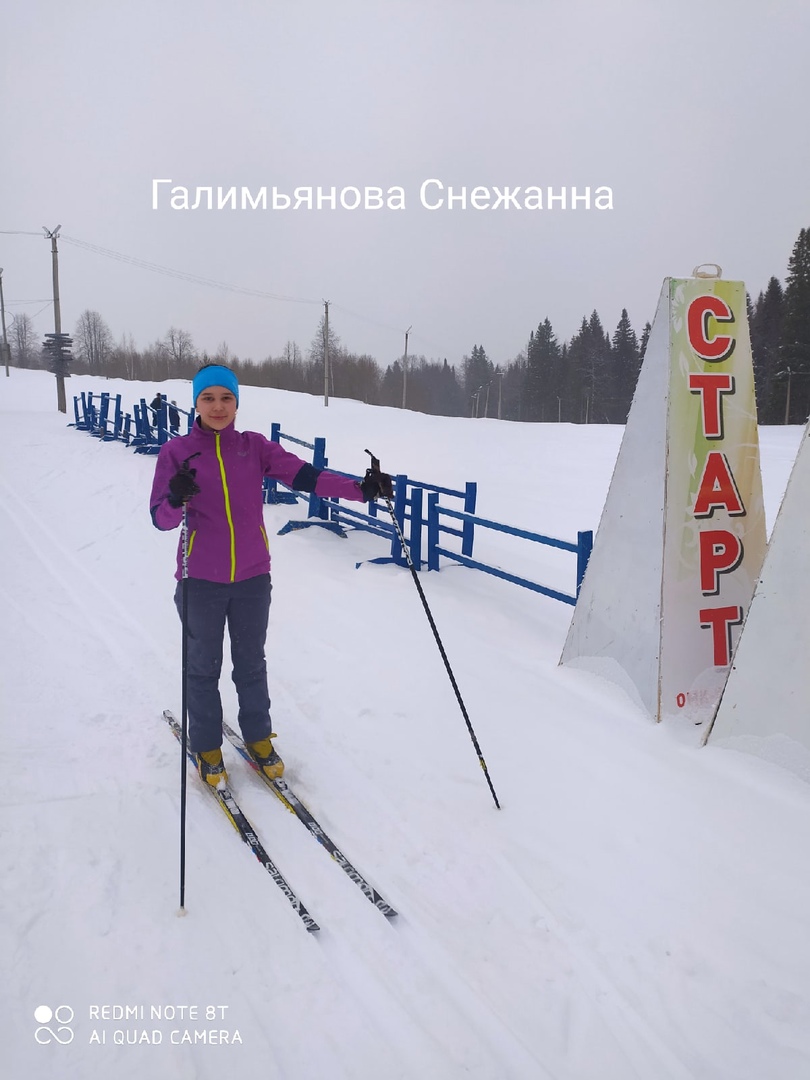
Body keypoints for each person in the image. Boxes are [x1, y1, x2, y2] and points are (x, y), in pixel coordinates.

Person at [149, 363, 392, 788]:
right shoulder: (177, 453)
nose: (218, 407)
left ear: (237, 403)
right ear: (196, 403)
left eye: (226, 398)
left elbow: (308, 477)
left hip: (251, 579)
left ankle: (259, 739)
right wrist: (175, 497)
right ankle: (206, 747)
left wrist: (360, 490)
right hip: (199, 580)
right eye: (208, 398)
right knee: (203, 667)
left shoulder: (254, 447)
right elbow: (160, 519)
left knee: (251, 664)